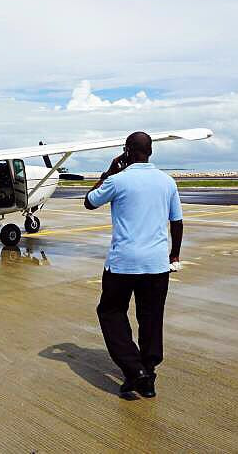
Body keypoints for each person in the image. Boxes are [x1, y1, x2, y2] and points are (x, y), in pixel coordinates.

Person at [84, 131, 183, 399]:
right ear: (150, 151)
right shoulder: (167, 182)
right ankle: (147, 373)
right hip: (156, 264)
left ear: (127, 150)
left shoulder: (118, 180)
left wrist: (107, 172)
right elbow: (177, 221)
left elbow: (89, 202)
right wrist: (174, 254)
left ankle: (134, 369)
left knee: (111, 312)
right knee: (151, 318)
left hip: (123, 264)